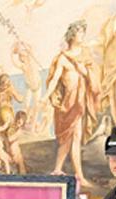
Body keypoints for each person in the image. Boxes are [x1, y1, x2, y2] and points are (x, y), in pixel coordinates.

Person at [42, 20, 100, 187]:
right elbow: (54, 80)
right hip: (67, 104)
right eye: (79, 32)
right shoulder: (62, 58)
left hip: (79, 102)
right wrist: (45, 97)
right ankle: (59, 169)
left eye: (83, 32)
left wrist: (85, 71)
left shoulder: (85, 55)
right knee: (67, 138)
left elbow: (94, 77)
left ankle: (77, 175)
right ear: (72, 35)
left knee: (75, 137)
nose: (82, 35)